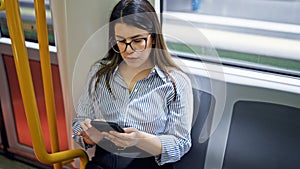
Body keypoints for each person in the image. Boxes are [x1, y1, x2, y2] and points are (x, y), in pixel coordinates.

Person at [72, 0, 193, 168]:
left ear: (153, 38)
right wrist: (89, 135)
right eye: (121, 41)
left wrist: (140, 140)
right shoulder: (99, 74)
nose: (129, 50)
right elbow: (79, 123)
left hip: (148, 163)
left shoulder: (175, 82)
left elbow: (181, 143)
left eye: (137, 40)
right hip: (104, 162)